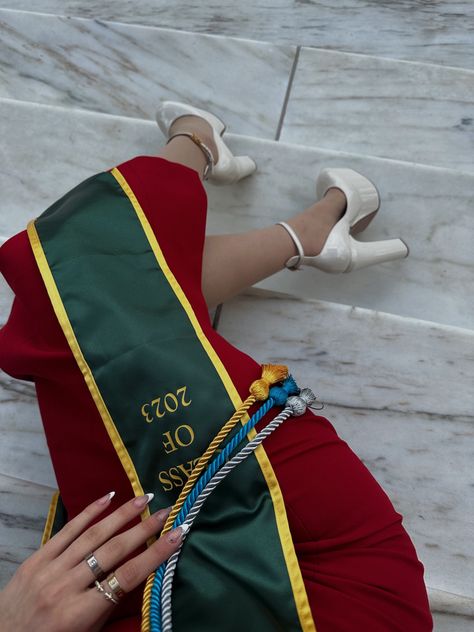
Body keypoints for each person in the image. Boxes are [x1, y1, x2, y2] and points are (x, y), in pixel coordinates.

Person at [0, 101, 432, 631]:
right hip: (311, 594)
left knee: (89, 309)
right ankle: (201, 145)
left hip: (133, 593)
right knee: (69, 291)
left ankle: (299, 230)